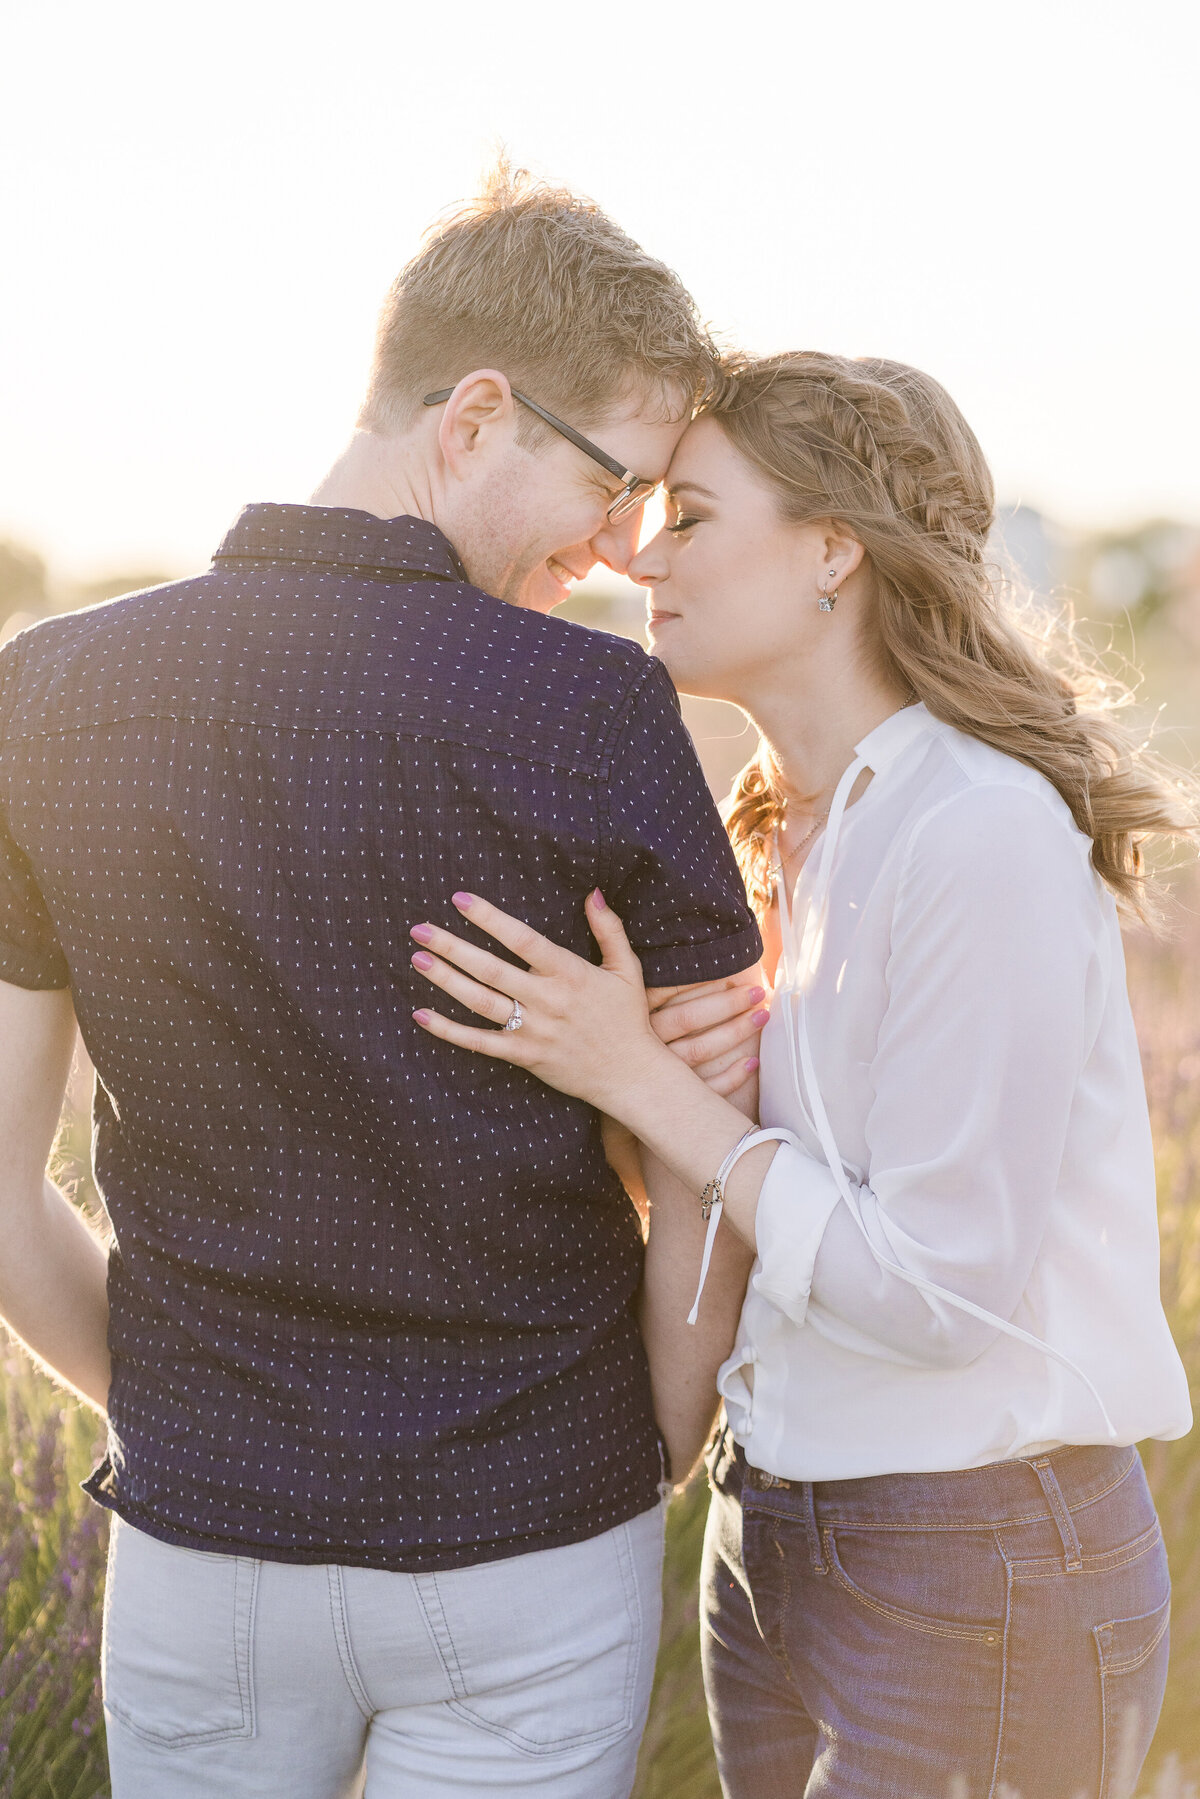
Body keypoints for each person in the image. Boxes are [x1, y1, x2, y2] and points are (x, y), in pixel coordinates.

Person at [0, 167, 766, 1798]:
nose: (627, 551)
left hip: (205, 1550)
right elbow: (707, 1162)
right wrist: (656, 1441)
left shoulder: (43, 698)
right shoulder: (605, 711)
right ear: (476, 414)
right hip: (534, 1540)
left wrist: (206, 1421)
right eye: (615, 482)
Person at [409, 350, 1196, 1798]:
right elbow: (749, 1200)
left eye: (695, 516)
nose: (639, 552)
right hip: (772, 1529)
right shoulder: (780, 829)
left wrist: (643, 1080)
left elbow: (937, 1292)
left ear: (835, 549)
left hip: (977, 1558)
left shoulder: (979, 831)